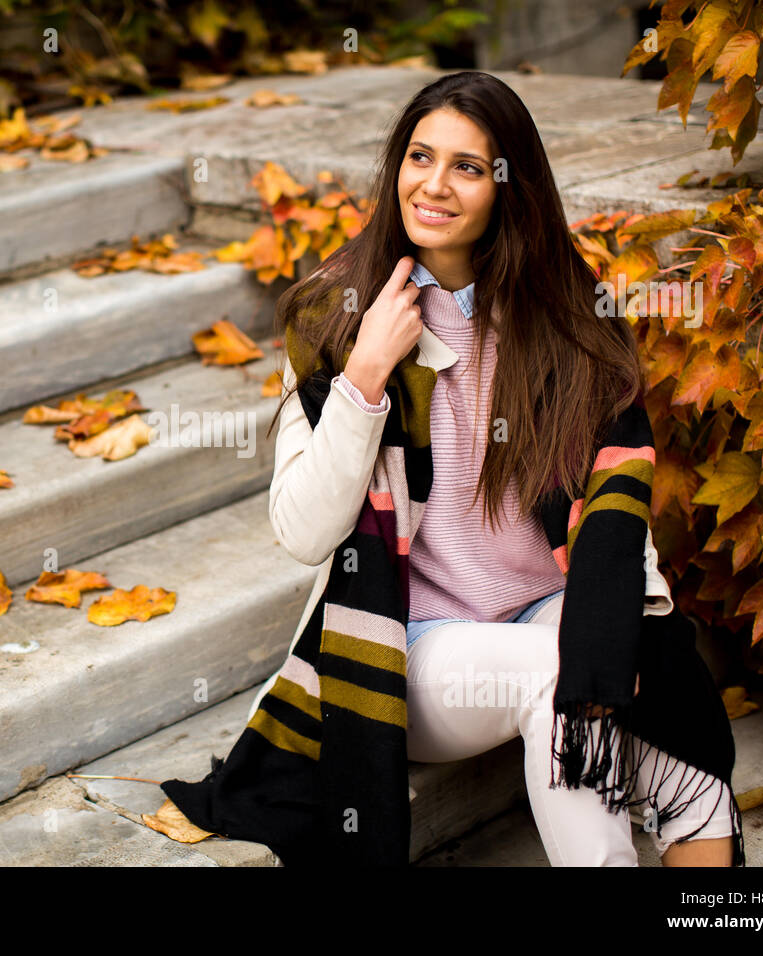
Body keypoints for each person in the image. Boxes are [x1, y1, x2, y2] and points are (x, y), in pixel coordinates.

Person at [260, 71, 737, 866]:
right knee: (568, 679)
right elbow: (304, 533)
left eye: (468, 167)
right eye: (420, 157)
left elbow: (612, 500)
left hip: (544, 605)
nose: (433, 186)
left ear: (507, 189)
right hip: (410, 644)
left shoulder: (566, 320)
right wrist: (364, 381)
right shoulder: (335, 320)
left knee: (685, 763)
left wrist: (623, 626)